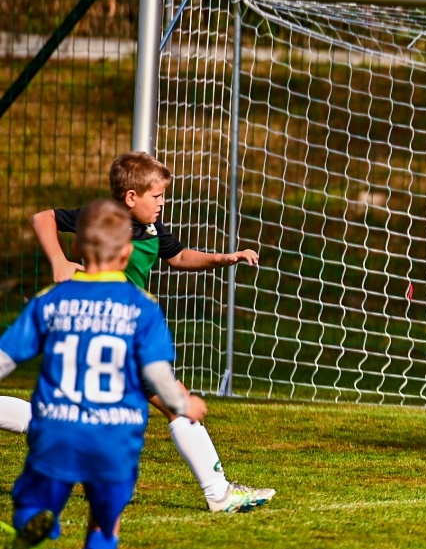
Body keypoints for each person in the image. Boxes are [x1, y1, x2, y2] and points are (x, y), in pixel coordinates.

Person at [0, 199, 205, 549]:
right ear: (127, 255)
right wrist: (183, 403)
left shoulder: (51, 300)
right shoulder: (142, 307)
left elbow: (7, 357)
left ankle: (38, 526)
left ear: (79, 247)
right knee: (103, 526)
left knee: (30, 507)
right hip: (114, 438)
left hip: (55, 432)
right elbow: (155, 374)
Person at [24, 151, 271, 513]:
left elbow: (180, 256)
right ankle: (218, 493)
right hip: (114, 333)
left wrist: (224, 258)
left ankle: (214, 492)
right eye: (156, 196)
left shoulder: (153, 230)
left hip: (118, 334)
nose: (162, 203)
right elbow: (43, 217)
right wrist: (59, 260)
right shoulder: (104, 222)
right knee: (178, 405)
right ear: (130, 197)